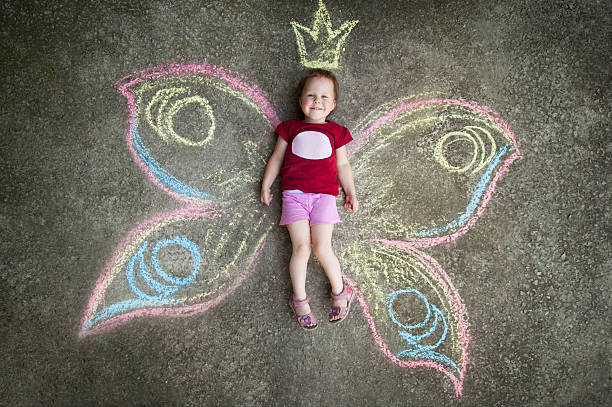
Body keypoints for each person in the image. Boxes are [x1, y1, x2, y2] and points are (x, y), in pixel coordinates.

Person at [260, 69, 358, 330]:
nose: (317, 101)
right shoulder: (290, 128)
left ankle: (341, 292)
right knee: (301, 249)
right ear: (300, 100)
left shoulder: (337, 132)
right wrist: (266, 184)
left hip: (325, 197)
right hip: (294, 197)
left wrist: (351, 191)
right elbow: (277, 158)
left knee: (322, 248)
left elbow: (344, 164)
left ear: (333, 104)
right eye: (311, 95)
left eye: (325, 96)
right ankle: (300, 300)